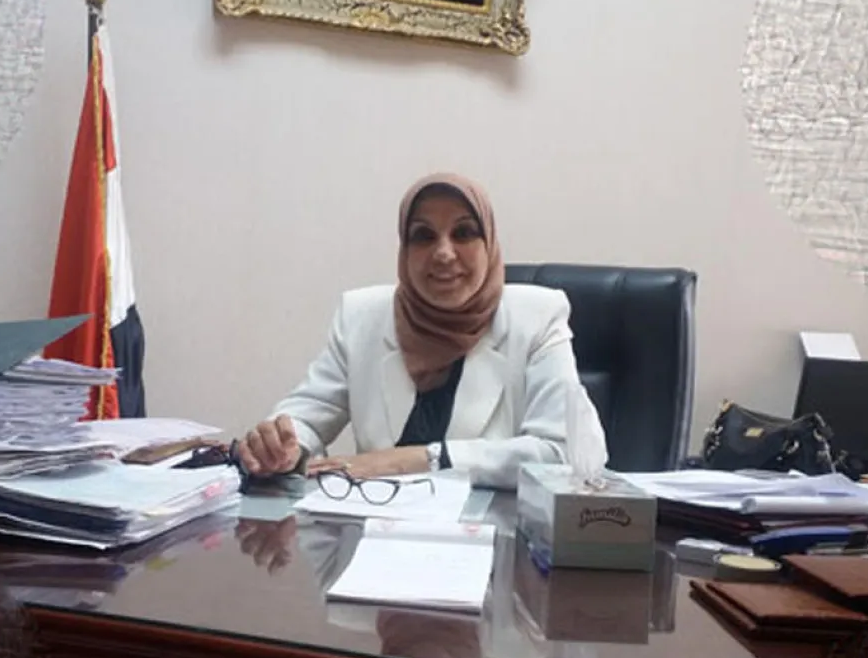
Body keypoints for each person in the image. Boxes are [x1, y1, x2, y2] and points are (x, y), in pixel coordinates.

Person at [237, 172, 604, 490]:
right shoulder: (360, 317)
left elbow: (562, 452)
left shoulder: (537, 317)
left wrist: (416, 459)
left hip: (493, 537)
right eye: (424, 236)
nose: (444, 253)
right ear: (404, 249)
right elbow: (307, 416)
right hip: (375, 531)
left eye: (463, 233)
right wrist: (281, 446)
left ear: (489, 243)